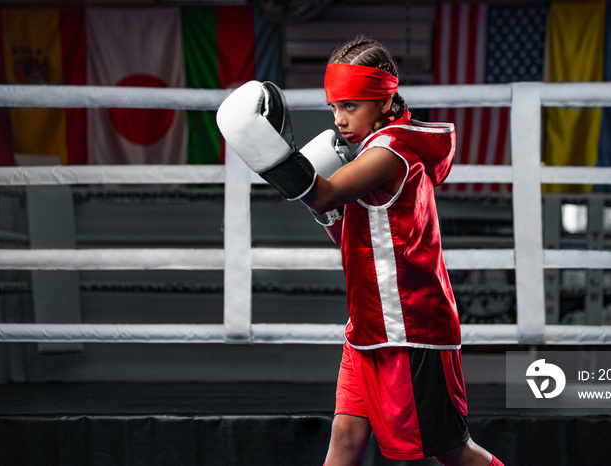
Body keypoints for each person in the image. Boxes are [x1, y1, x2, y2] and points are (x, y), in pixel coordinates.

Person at [216, 35, 505, 466]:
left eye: (350, 106)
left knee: (449, 449)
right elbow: (349, 235)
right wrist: (331, 217)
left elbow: (323, 195)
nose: (339, 119)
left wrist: (270, 154)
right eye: (335, 107)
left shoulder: (390, 151)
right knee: (346, 436)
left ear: (384, 103)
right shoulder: (367, 151)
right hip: (369, 326)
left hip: (411, 329)